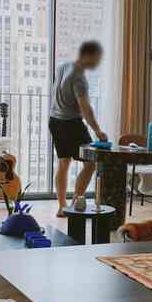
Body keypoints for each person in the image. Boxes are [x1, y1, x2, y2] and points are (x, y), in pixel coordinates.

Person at [48, 40, 107, 216]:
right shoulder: (79, 78)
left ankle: (61, 207)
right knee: (90, 163)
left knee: (63, 162)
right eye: (97, 58)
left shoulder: (63, 66)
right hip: (71, 124)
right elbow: (85, 107)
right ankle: (75, 204)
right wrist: (97, 130)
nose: (97, 62)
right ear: (88, 55)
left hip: (54, 120)